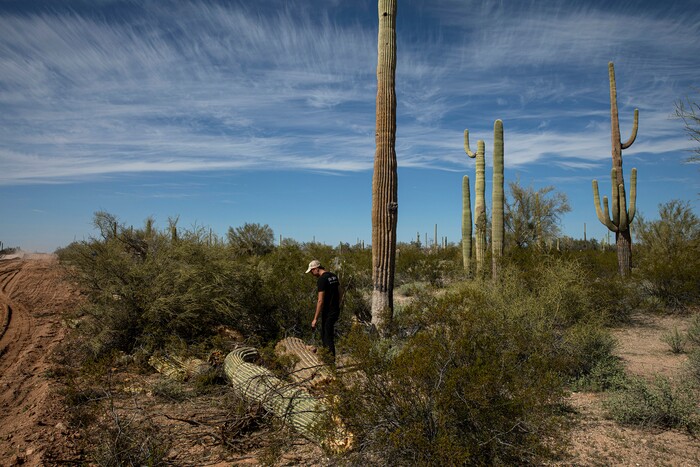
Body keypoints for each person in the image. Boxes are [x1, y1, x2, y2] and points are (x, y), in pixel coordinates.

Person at [305, 259, 340, 358]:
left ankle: (330, 362)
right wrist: (338, 304)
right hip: (335, 309)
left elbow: (320, 300)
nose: (312, 273)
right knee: (326, 333)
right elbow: (340, 291)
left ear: (316, 269)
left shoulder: (322, 280)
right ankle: (328, 359)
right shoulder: (333, 276)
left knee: (327, 337)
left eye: (312, 271)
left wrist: (315, 318)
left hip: (328, 311)